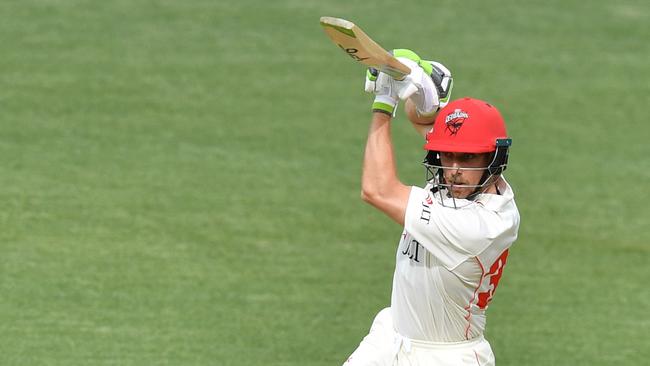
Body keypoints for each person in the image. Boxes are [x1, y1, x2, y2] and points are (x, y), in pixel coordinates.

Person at [343, 50, 520, 366]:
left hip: (446, 358)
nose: (451, 169)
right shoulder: (470, 182)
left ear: (494, 159)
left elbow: (376, 190)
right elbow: (424, 122)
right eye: (446, 156)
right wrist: (422, 88)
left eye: (466, 158)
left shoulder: (478, 228)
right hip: (393, 338)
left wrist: (385, 100)